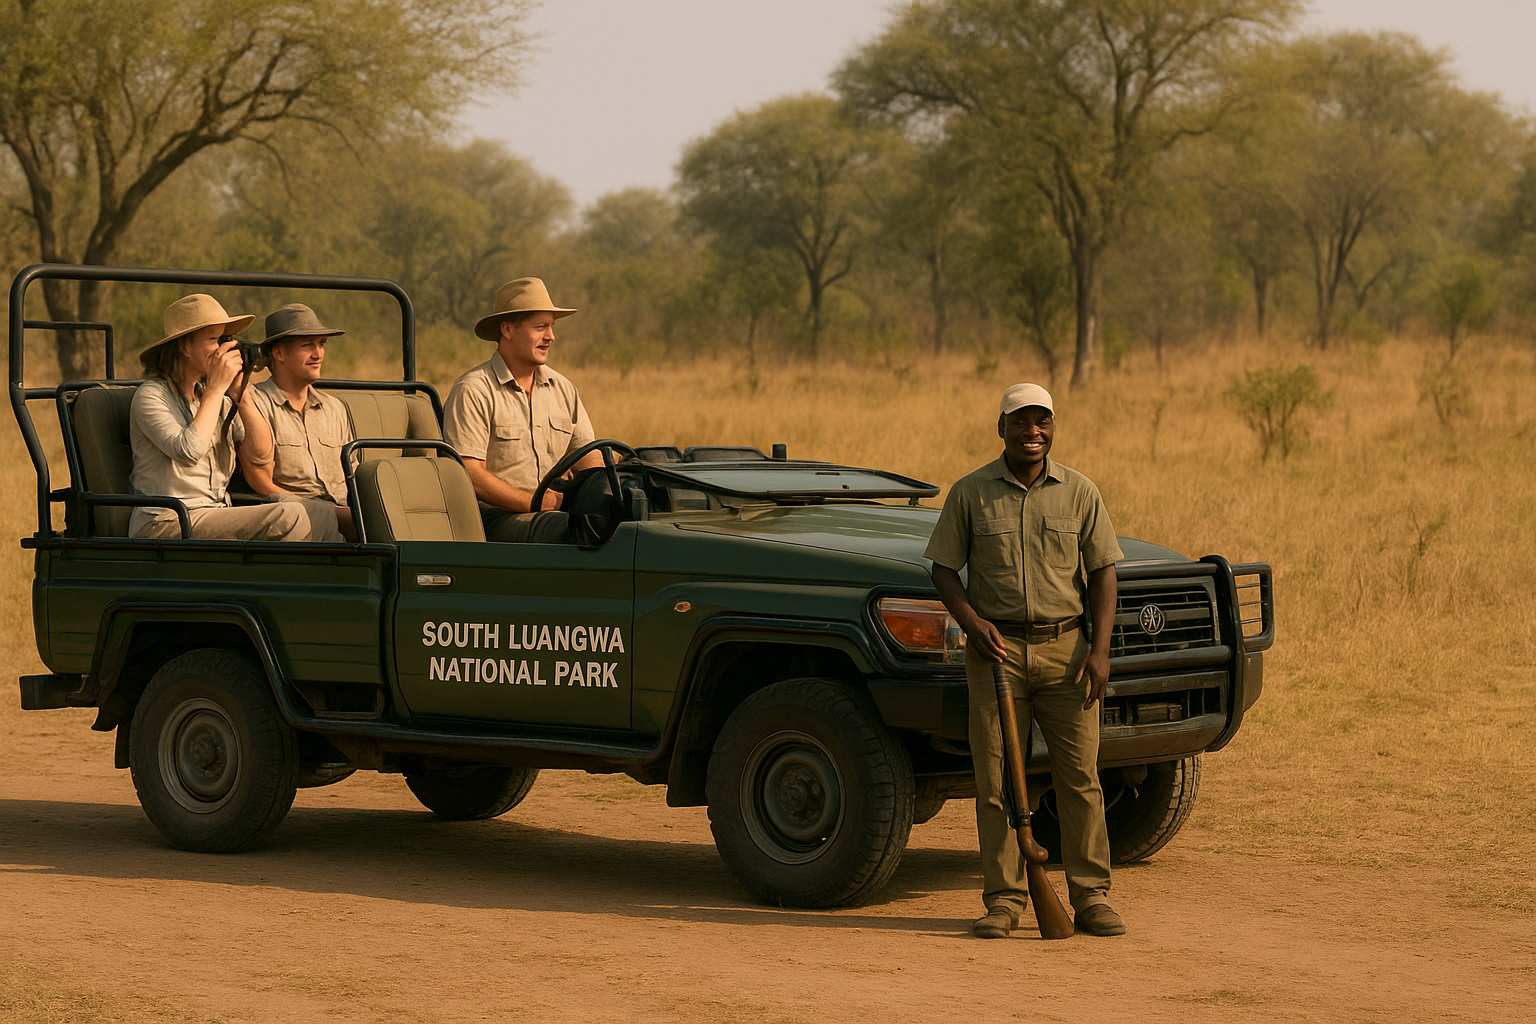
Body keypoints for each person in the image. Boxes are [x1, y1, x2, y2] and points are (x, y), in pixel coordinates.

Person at [924, 382, 1126, 939]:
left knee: (1080, 778)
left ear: (1053, 427)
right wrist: (972, 623)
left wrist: (1101, 650)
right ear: (1001, 428)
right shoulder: (970, 493)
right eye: (1020, 421)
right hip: (997, 655)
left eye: (1042, 421)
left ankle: (1091, 897)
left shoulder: (1080, 492)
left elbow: (1103, 572)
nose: (1031, 432)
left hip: (1069, 655)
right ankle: (1005, 901)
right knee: (995, 782)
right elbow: (943, 568)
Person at [128, 293, 342, 543]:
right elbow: (188, 450)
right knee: (292, 515)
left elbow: (262, 453)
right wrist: (216, 389)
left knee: (320, 511)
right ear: (185, 347)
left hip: (215, 513)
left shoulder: (213, 396)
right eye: (214, 340)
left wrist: (242, 395)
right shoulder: (152, 395)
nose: (224, 350)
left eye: (226, 340)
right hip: (166, 521)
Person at [443, 277, 601, 542]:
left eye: (551, 327)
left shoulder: (563, 388)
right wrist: (536, 504)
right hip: (494, 520)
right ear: (507, 329)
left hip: (553, 513)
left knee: (621, 521)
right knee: (571, 531)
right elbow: (469, 474)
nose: (550, 337)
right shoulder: (474, 390)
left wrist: (604, 488)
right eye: (540, 327)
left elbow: (587, 455)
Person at [239, 303, 357, 540]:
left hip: (349, 513)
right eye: (307, 345)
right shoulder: (254, 403)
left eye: (322, 343)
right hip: (295, 517)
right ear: (279, 353)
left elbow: (353, 472)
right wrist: (329, 514)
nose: (318, 354)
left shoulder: (335, 408)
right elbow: (260, 482)